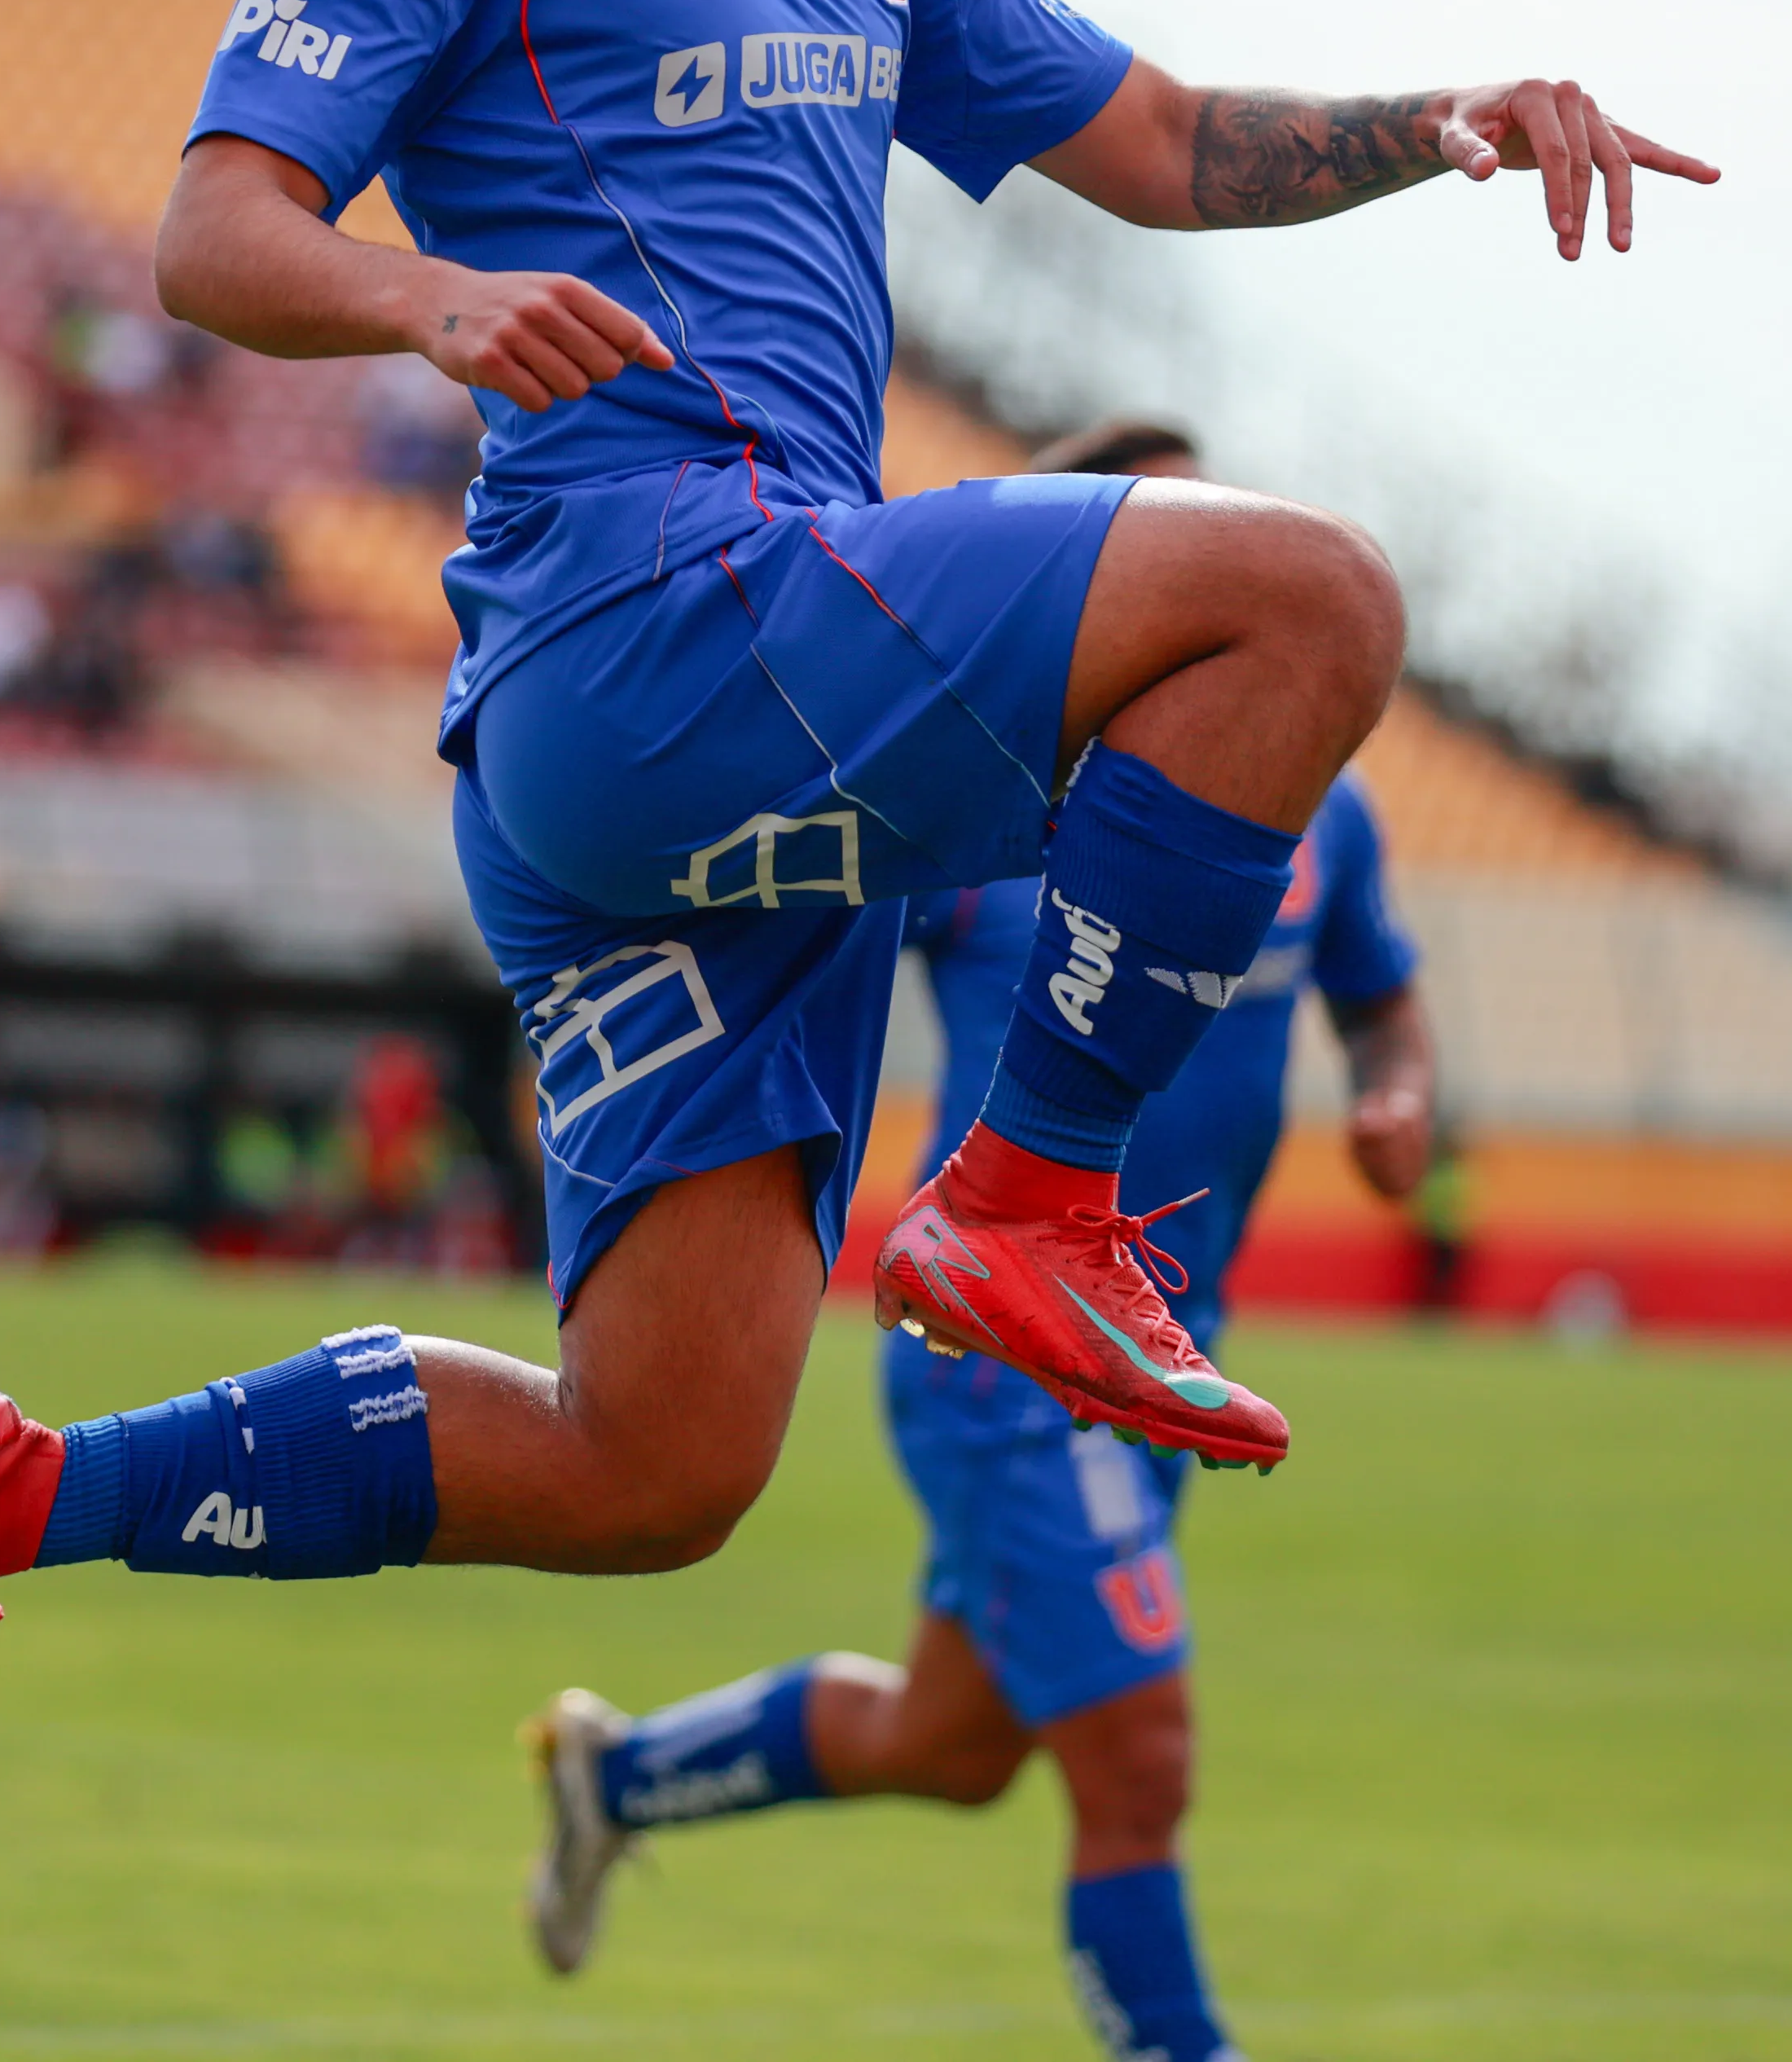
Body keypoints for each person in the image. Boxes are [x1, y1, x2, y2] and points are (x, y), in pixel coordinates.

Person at [0, 0, 1707, 1750]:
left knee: (650, 1462)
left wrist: (1454, 112)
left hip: (737, 729)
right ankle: (1035, 1193)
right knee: (1303, 594)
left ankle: (0, 1481)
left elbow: (1166, 145)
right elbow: (216, 226)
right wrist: (429, 294)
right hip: (649, 619)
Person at [512, 420, 1434, 2061]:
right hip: (1007, 1354)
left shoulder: (1309, 797)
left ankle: (616, 1775)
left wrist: (1397, 1089)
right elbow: (774, 950)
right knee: (1138, 1764)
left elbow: (1381, 991)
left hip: (1157, 1354)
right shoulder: (971, 803)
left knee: (952, 1741)